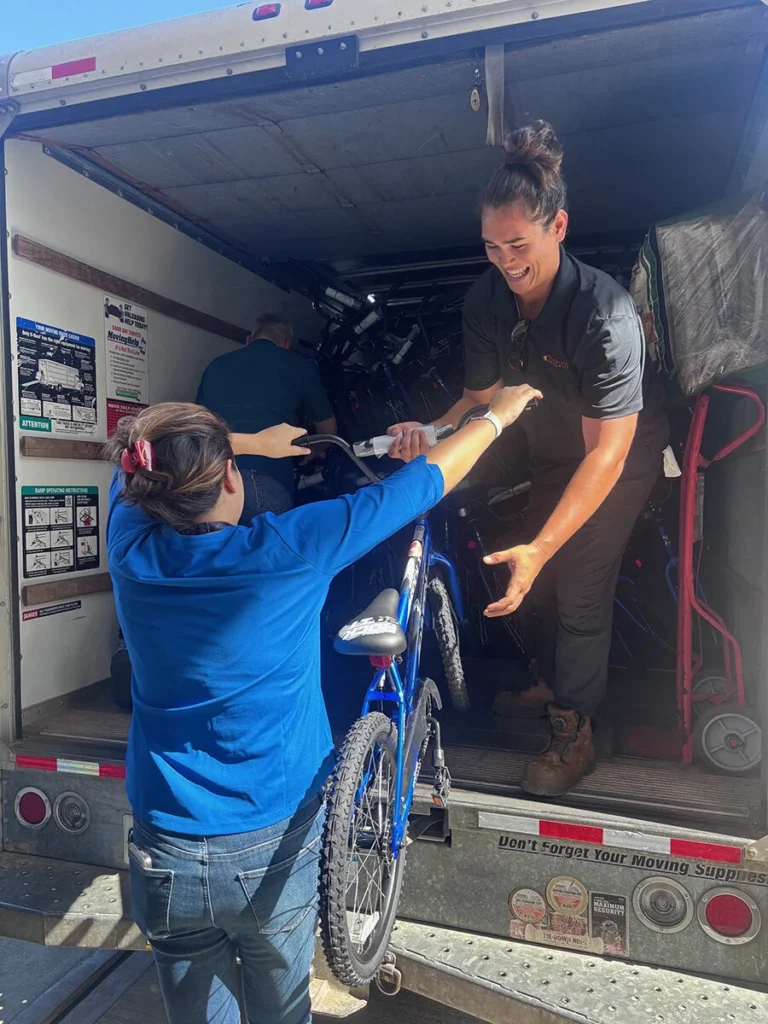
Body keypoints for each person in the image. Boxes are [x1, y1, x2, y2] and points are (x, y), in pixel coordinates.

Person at [105, 386, 538, 1024]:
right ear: (230, 476)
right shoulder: (289, 546)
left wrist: (242, 444)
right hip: (272, 844)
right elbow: (420, 485)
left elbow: (129, 470)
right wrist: (497, 416)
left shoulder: (129, 548)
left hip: (165, 848)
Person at [388, 121, 669, 797]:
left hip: (617, 459)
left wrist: (546, 545)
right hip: (549, 456)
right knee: (523, 576)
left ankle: (576, 730)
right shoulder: (486, 301)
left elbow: (607, 452)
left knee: (574, 583)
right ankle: (551, 681)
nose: (506, 259)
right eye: (492, 246)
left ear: (559, 227)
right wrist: (428, 432)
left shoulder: (605, 314)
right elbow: (477, 398)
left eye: (519, 244)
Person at [196, 313, 337, 520]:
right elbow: (328, 431)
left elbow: (196, 425)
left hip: (208, 479)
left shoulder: (216, 364)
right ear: (286, 344)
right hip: (264, 480)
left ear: (248, 340)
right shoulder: (300, 366)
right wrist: (315, 449)